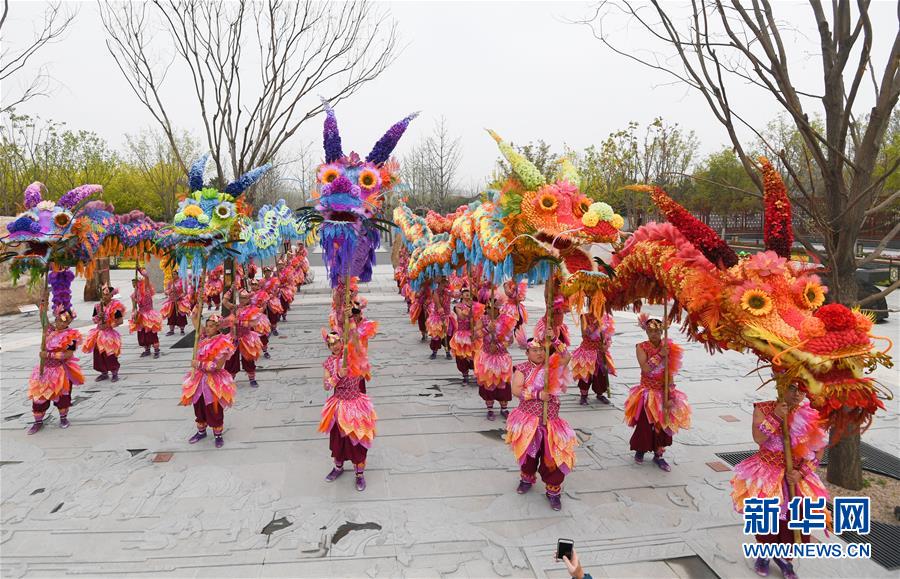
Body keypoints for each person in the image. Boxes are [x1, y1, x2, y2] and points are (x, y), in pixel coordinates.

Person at [731, 383, 827, 579]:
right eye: (792, 388)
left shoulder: (811, 414)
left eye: (802, 389)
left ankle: (784, 559)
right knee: (766, 518)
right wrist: (775, 416)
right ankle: (764, 553)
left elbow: (818, 451)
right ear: (781, 385)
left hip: (795, 477)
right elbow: (758, 438)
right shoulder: (763, 408)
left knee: (795, 520)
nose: (797, 394)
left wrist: (802, 473)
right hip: (766, 474)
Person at [507, 334, 577, 510]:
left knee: (554, 457)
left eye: (542, 350)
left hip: (551, 422)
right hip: (528, 421)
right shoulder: (522, 369)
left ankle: (553, 491)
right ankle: (526, 478)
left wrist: (554, 340)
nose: (539, 353)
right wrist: (538, 394)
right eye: (535, 350)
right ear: (527, 352)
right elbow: (516, 390)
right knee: (529, 455)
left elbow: (567, 356)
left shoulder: (552, 365)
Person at [318, 307, 378, 492]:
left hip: (356, 403)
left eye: (337, 342)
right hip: (339, 405)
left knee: (357, 439)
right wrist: (338, 375)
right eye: (331, 344)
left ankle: (359, 474)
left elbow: (356, 340)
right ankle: (338, 467)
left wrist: (350, 319)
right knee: (338, 440)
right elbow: (326, 386)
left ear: (342, 342)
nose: (335, 346)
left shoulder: (353, 355)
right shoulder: (329, 363)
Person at [623, 315, 691, 471]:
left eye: (656, 331)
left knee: (663, 424)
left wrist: (670, 394)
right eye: (650, 331)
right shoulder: (641, 347)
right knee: (645, 424)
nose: (653, 334)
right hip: (647, 392)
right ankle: (640, 450)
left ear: (662, 332)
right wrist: (660, 355)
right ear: (646, 332)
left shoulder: (669, 347)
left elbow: (670, 372)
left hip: (662, 391)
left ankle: (659, 455)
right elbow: (646, 368)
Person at [180, 312, 236, 448]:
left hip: (213, 380)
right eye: (207, 326)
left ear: (217, 327)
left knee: (213, 408)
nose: (208, 329)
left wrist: (199, 364)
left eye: (211, 326)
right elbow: (196, 323)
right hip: (199, 379)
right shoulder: (203, 338)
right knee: (198, 405)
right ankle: (201, 431)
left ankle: (218, 435)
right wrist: (195, 313)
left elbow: (218, 366)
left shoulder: (223, 343)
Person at [28, 306, 83, 434]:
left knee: (62, 397)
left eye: (64, 321)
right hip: (44, 370)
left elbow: (68, 355)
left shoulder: (72, 336)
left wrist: (48, 355)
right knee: (39, 396)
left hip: (60, 371)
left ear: (69, 322)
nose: (60, 323)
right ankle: (38, 422)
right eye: (58, 320)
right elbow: (43, 320)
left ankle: (63, 418)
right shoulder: (50, 331)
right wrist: (42, 306)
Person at [473, 294, 514, 420]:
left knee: (503, 383)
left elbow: (510, 339)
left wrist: (498, 346)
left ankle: (504, 408)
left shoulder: (506, 320)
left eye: (495, 308)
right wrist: (487, 330)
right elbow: (476, 335)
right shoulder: (483, 319)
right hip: (487, 357)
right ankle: (490, 409)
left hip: (501, 357)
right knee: (488, 383)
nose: (492, 311)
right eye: (490, 308)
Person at [222, 289, 268, 387]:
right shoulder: (234, 307)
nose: (242, 300)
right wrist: (231, 289)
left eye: (244, 298)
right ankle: (230, 379)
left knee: (248, 359)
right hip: (233, 337)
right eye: (241, 298)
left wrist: (238, 322)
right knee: (231, 359)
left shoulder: (252, 310)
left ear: (248, 299)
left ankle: (252, 378)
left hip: (246, 337)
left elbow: (254, 323)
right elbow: (224, 301)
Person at [571, 309, 615, 405]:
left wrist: (606, 344)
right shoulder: (585, 317)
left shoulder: (606, 317)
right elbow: (584, 334)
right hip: (587, 350)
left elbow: (609, 334)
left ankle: (600, 393)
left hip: (600, 351)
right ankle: (584, 395)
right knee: (585, 374)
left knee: (601, 374)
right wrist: (597, 326)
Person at [83, 283, 125, 382]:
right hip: (98, 332)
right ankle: (103, 372)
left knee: (109, 353)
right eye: (103, 294)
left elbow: (120, 321)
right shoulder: (98, 306)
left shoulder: (116, 306)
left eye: (107, 294)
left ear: (111, 295)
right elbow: (94, 319)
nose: (105, 296)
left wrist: (109, 325)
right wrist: (99, 316)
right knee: (98, 353)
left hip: (109, 333)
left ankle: (114, 372)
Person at [129, 268, 163, 358]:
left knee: (152, 333)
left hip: (149, 314)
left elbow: (147, 276)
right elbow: (134, 307)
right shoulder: (134, 295)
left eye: (135, 283)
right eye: (132, 283)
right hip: (141, 315)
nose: (133, 285)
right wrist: (134, 314)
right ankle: (147, 350)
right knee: (142, 334)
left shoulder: (146, 289)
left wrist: (140, 270)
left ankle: (156, 350)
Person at [449, 286, 476, 384]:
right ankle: (465, 374)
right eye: (465, 292)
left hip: (472, 333)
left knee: (475, 354)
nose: (467, 293)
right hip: (461, 335)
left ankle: (477, 373)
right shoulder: (458, 306)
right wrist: (470, 309)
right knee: (461, 356)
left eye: (469, 292)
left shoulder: (475, 305)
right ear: (461, 295)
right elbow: (461, 316)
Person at [426, 277, 453, 360]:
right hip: (437, 317)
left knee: (448, 335)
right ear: (440, 283)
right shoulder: (435, 292)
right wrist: (441, 312)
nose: (447, 283)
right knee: (436, 335)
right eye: (445, 282)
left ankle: (448, 352)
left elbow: (455, 295)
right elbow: (438, 304)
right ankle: (434, 352)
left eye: (447, 282)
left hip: (447, 316)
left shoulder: (447, 291)